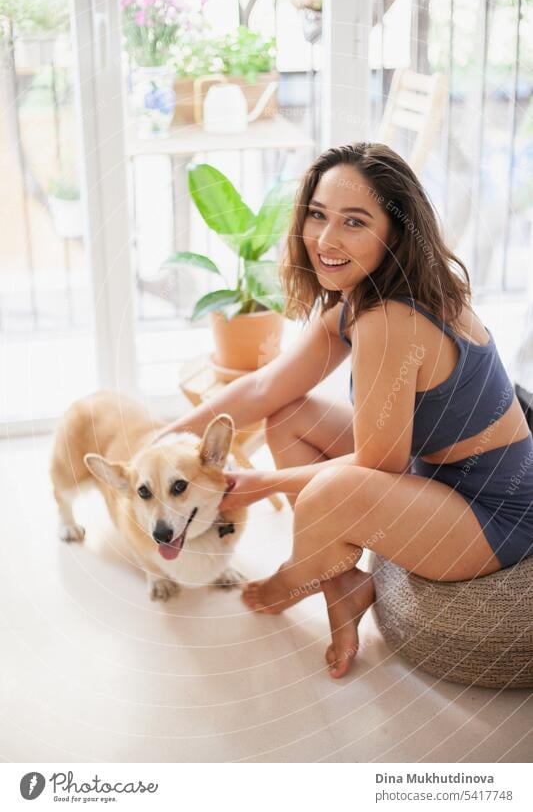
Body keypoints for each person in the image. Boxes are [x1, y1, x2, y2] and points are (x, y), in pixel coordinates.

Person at [158, 142, 533, 679]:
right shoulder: (359, 297)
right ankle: (343, 584)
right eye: (318, 215)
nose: (326, 240)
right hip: (433, 475)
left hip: (493, 515)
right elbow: (266, 386)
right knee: (287, 416)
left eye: (354, 222)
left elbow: (378, 467)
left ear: (395, 233)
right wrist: (162, 437)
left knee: (332, 492)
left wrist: (260, 483)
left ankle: (296, 578)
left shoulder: (390, 321)